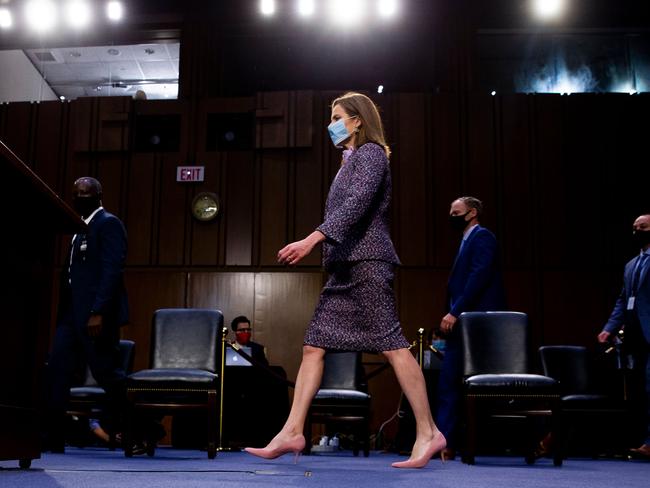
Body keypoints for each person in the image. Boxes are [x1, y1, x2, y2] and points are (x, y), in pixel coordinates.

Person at [244, 92, 446, 469]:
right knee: (313, 346)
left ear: (357, 120)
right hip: (344, 268)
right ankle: (292, 431)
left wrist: (311, 239)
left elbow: (355, 206)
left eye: (337, 116)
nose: (331, 124)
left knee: (392, 346)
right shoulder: (348, 160)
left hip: (367, 263)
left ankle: (429, 431)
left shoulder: (370, 154)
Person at [44, 177, 129, 452]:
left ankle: (142, 429)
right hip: (70, 316)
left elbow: (111, 271)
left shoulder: (109, 224)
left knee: (108, 375)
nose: (79, 197)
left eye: (85, 193)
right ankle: (53, 438)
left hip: (95, 316)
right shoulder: (78, 228)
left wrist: (98, 311)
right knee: (57, 371)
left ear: (98, 196)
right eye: (75, 193)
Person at [435, 196, 506, 460]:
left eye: (457, 212)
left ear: (472, 213)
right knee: (447, 383)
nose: (451, 217)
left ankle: (467, 443)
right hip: (461, 326)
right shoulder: (465, 241)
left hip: (478, 325)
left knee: (473, 387)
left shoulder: (483, 237)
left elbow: (479, 277)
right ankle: (444, 443)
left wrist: (454, 311)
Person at [598, 213, 650, 459]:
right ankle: (644, 441)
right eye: (634, 228)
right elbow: (623, 299)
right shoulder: (631, 264)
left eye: (643, 227)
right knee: (639, 390)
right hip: (635, 335)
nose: (637, 231)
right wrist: (609, 327)